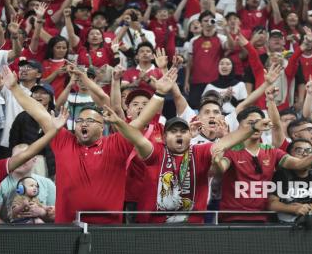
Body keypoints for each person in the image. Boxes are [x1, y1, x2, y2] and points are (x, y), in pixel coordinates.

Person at [4, 65, 177, 224]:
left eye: (89, 120)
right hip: (68, 226)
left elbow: (140, 121)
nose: (83, 123)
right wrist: (14, 88)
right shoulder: (63, 140)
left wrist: (159, 94)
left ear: (102, 127)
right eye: (79, 120)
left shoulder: (116, 143)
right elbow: (38, 112)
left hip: (108, 228)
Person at [102, 95, 273, 224]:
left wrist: (253, 127)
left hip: (191, 229)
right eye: (173, 131)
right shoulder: (155, 153)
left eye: (182, 131)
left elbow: (229, 140)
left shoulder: (200, 152)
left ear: (190, 134)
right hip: (153, 227)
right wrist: (118, 122)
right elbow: (136, 137)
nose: (178, 134)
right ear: (164, 136)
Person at [215, 105, 312, 223]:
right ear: (239, 127)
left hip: (263, 218)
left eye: (259, 122)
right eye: (251, 123)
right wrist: (217, 161)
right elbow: (220, 168)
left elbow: (298, 164)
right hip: (233, 218)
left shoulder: (272, 151)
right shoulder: (231, 151)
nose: (256, 126)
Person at [0, 67, 65, 223]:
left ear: (51, 97)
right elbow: (24, 152)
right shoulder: (22, 118)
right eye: (36, 92)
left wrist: (43, 212)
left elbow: (55, 216)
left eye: (43, 93)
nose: (39, 96)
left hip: (44, 163)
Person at [268, 139, 312, 223]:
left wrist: (307, 207)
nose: (305, 154)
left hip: (311, 224)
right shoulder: (281, 175)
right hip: (283, 225)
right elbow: (271, 204)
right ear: (289, 156)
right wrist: (294, 209)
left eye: (309, 151)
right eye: (299, 151)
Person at [0, 144, 55, 224]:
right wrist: (11, 232)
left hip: (41, 232)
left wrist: (42, 212)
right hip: (9, 232)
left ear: (34, 160)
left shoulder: (47, 183)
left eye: (24, 157)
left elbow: (58, 216)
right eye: (16, 157)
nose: (19, 161)